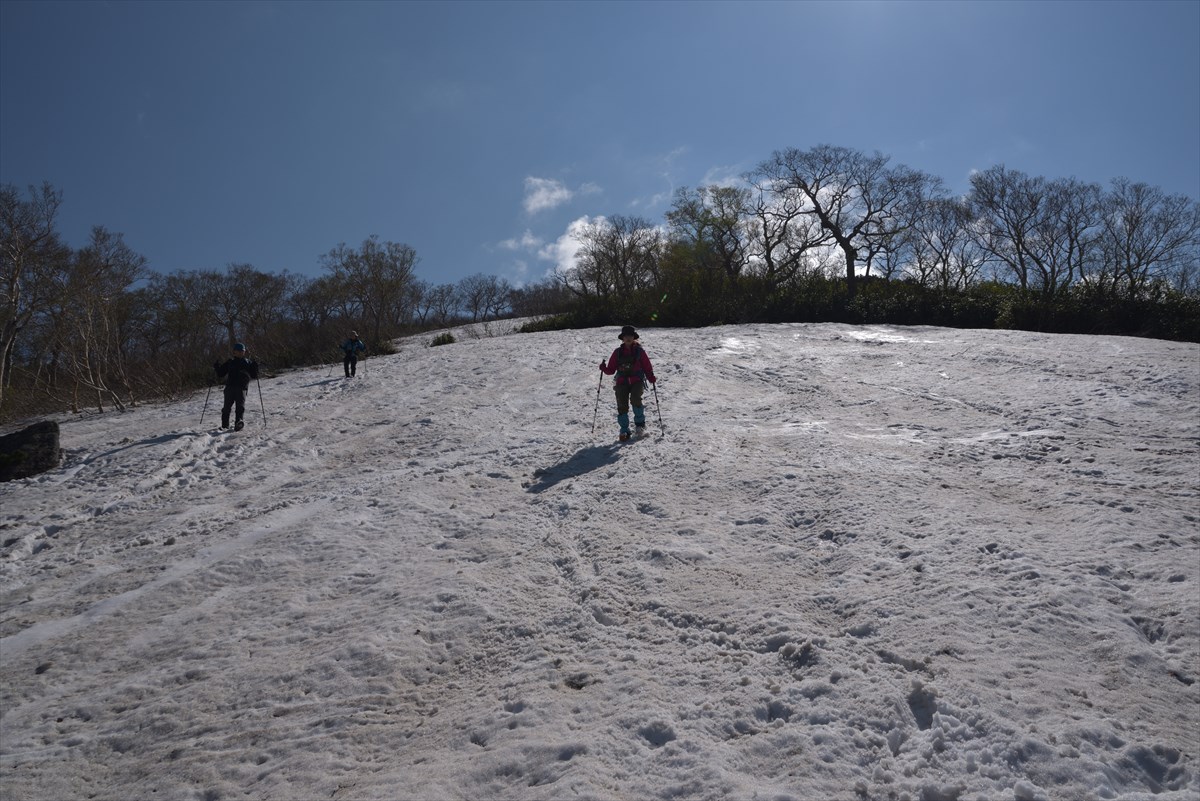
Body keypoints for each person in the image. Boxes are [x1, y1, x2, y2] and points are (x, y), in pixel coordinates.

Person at [600, 325, 656, 441]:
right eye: (626, 336)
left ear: (634, 338)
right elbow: (611, 370)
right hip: (621, 382)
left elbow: (647, 366)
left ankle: (640, 425)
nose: (628, 338)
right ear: (622, 338)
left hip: (637, 380)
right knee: (622, 405)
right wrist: (604, 368)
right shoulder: (617, 353)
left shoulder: (640, 351)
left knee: (636, 400)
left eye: (630, 336)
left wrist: (651, 377)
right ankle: (624, 430)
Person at [213, 342, 259, 431]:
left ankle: (239, 423)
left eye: (242, 351)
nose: (241, 352)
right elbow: (221, 374)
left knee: (240, 408)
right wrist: (217, 367)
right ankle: (224, 426)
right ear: (234, 352)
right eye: (239, 351)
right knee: (226, 408)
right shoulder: (230, 362)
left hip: (242, 388)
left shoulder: (248, 362)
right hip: (230, 388)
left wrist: (255, 367)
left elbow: (254, 375)